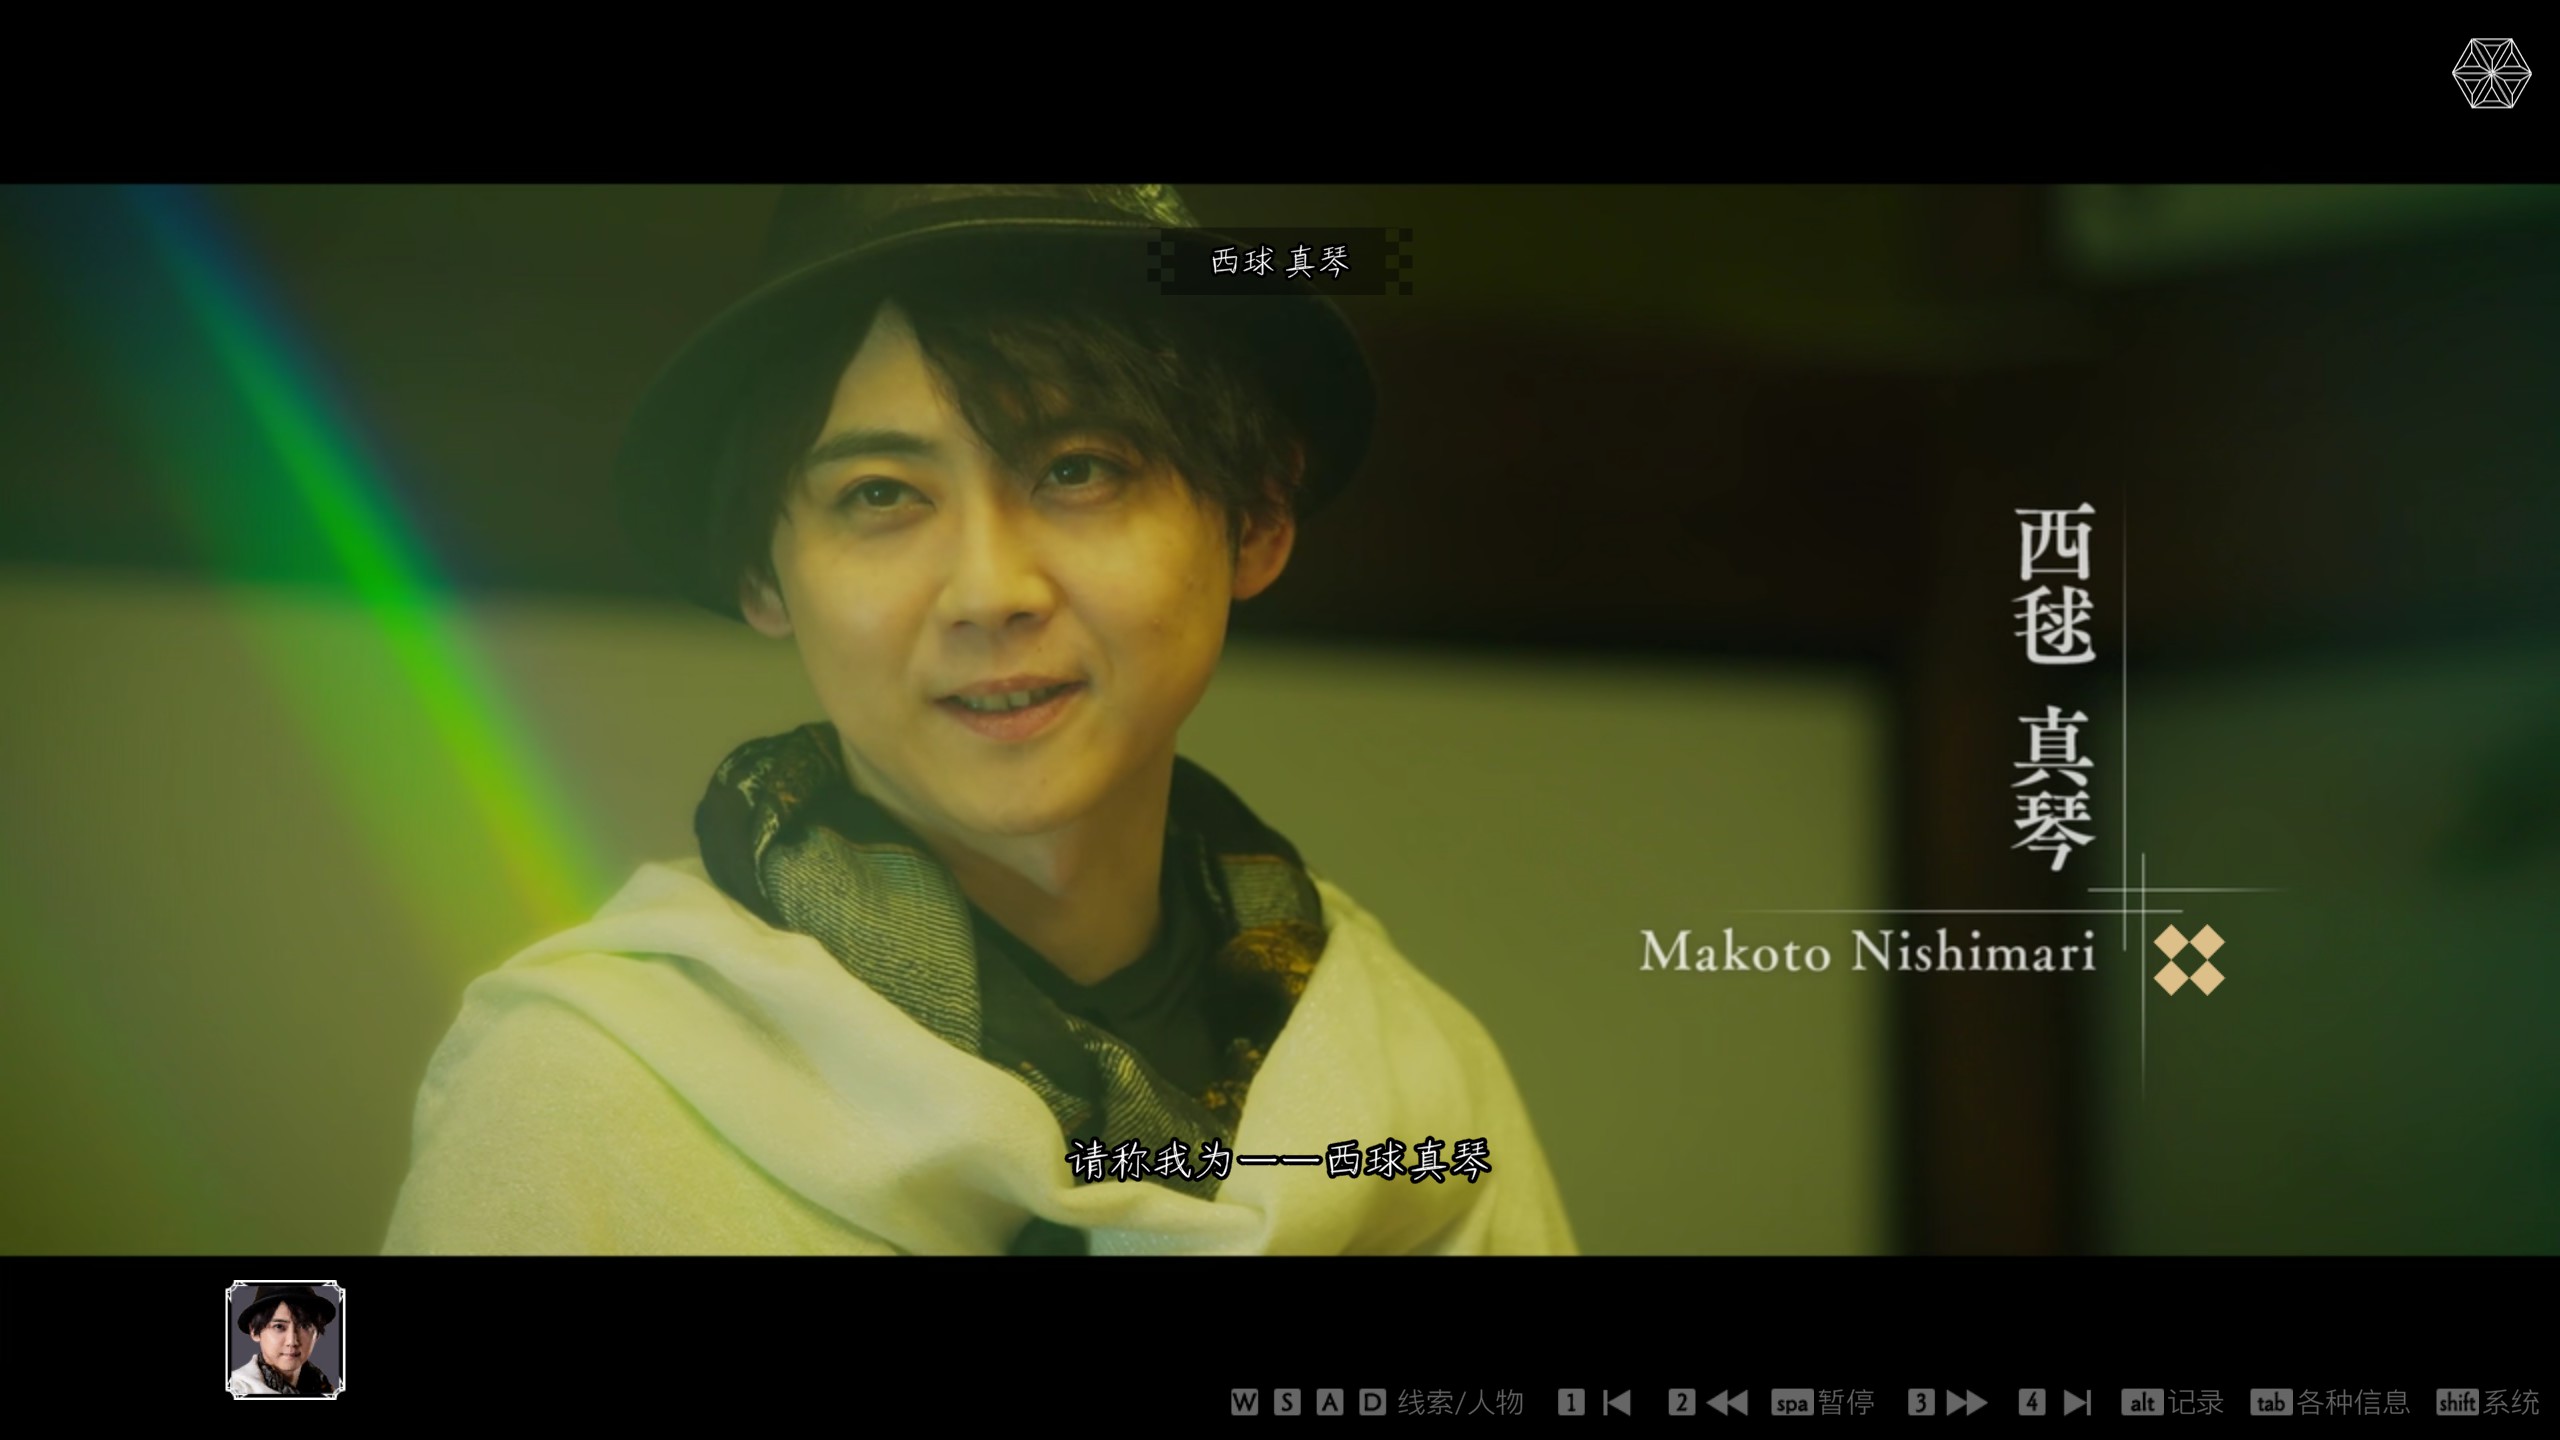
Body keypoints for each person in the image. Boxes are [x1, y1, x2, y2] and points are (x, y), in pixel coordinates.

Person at [383, 184, 1575, 1255]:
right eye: (880, 494)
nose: (990, 590)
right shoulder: (590, 1087)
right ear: (763, 574)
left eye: (1078, 470)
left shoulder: (1411, 1079)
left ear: (1255, 521)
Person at [229, 1285, 337, 1397]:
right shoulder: (236, 1389)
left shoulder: (327, 1389)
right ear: (254, 1331)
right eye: (279, 1326)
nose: (292, 1341)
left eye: (304, 1326)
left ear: (317, 1334)